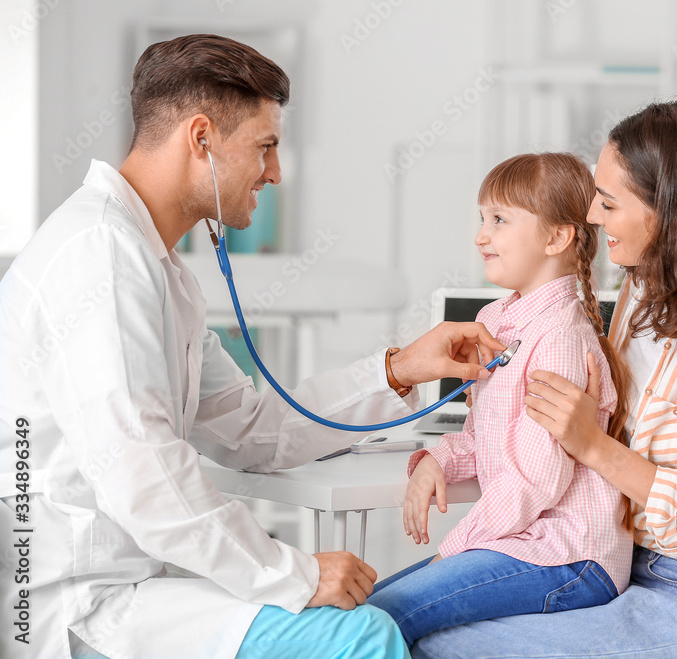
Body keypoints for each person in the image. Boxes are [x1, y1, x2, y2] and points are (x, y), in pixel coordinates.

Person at [0, 34, 504, 659]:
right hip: (77, 604)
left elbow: (250, 428)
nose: (276, 172)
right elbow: (141, 473)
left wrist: (400, 369)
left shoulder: (153, 266)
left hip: (126, 585)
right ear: (202, 138)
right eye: (265, 147)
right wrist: (295, 572)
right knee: (363, 637)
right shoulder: (100, 255)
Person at [411, 102, 677, 658]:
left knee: (438, 647)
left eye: (608, 202)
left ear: (668, 208)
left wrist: (595, 447)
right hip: (628, 568)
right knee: (415, 631)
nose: (594, 219)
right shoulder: (644, 289)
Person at [366, 153, 634, 645]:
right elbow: (485, 436)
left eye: (499, 220)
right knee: (367, 609)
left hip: (570, 555)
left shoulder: (559, 339)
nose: (480, 236)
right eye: (482, 219)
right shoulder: (499, 320)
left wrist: (456, 548)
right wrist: (437, 461)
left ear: (556, 238)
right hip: (525, 543)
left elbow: (538, 478)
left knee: (382, 617)